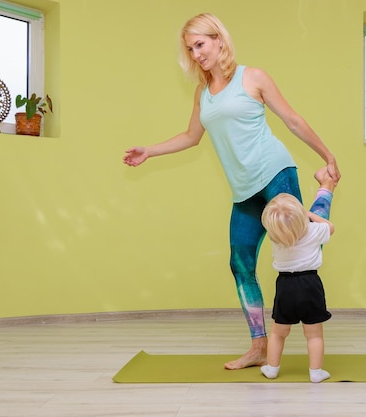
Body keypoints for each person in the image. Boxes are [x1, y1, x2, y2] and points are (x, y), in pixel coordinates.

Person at [122, 13, 340, 370]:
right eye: (190, 48)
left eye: (200, 44)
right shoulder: (201, 93)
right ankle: (259, 345)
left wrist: (327, 155)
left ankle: (325, 187)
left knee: (300, 240)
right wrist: (150, 150)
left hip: (274, 173)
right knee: (240, 264)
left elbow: (293, 120)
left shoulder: (252, 77)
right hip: (244, 191)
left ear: (219, 40)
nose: (195, 54)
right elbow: (191, 137)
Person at [260, 167, 335, 383]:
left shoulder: (277, 238)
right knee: (313, 334)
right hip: (310, 283)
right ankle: (315, 372)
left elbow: (286, 228)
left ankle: (272, 368)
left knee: (277, 333)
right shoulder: (313, 231)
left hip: (285, 285)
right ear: (301, 216)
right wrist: (310, 214)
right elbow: (330, 227)